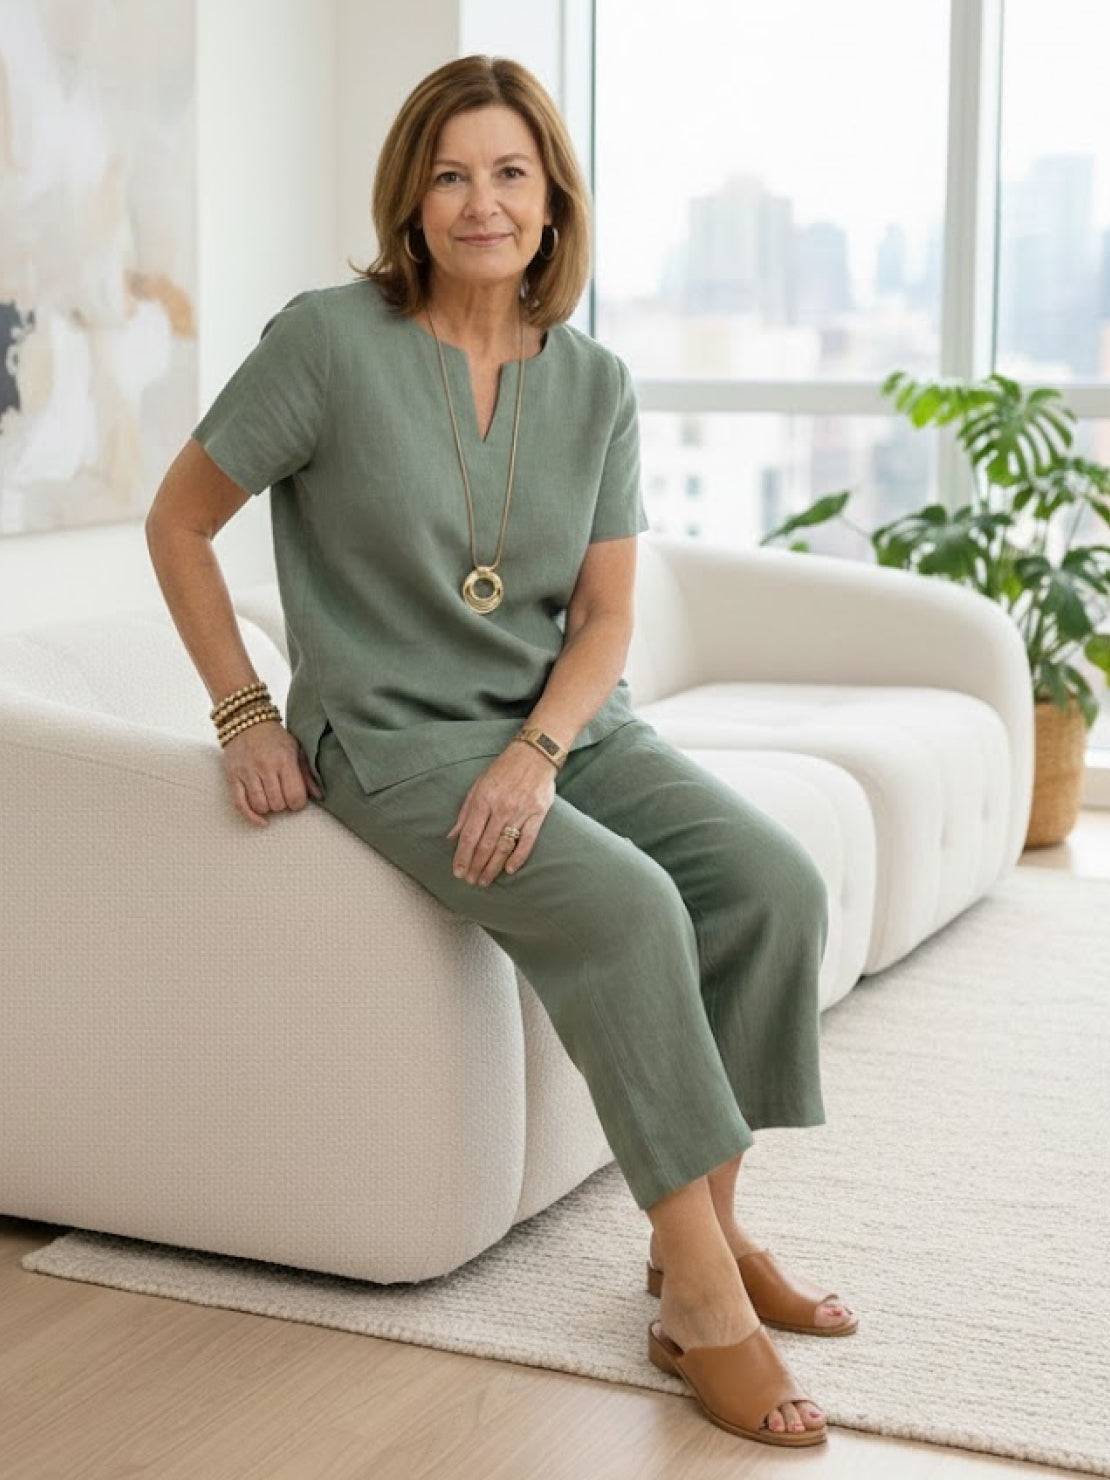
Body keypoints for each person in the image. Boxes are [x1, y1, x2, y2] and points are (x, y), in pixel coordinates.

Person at [145, 52, 853, 1449]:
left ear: (552, 199)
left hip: (559, 723)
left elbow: (605, 618)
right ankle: (705, 1304)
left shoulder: (594, 382)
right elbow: (179, 523)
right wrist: (243, 711)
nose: (483, 202)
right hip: (390, 733)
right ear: (410, 201)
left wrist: (539, 750)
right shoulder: (326, 343)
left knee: (772, 884)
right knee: (630, 908)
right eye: (451, 175)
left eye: (510, 173)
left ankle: (703, 1239)